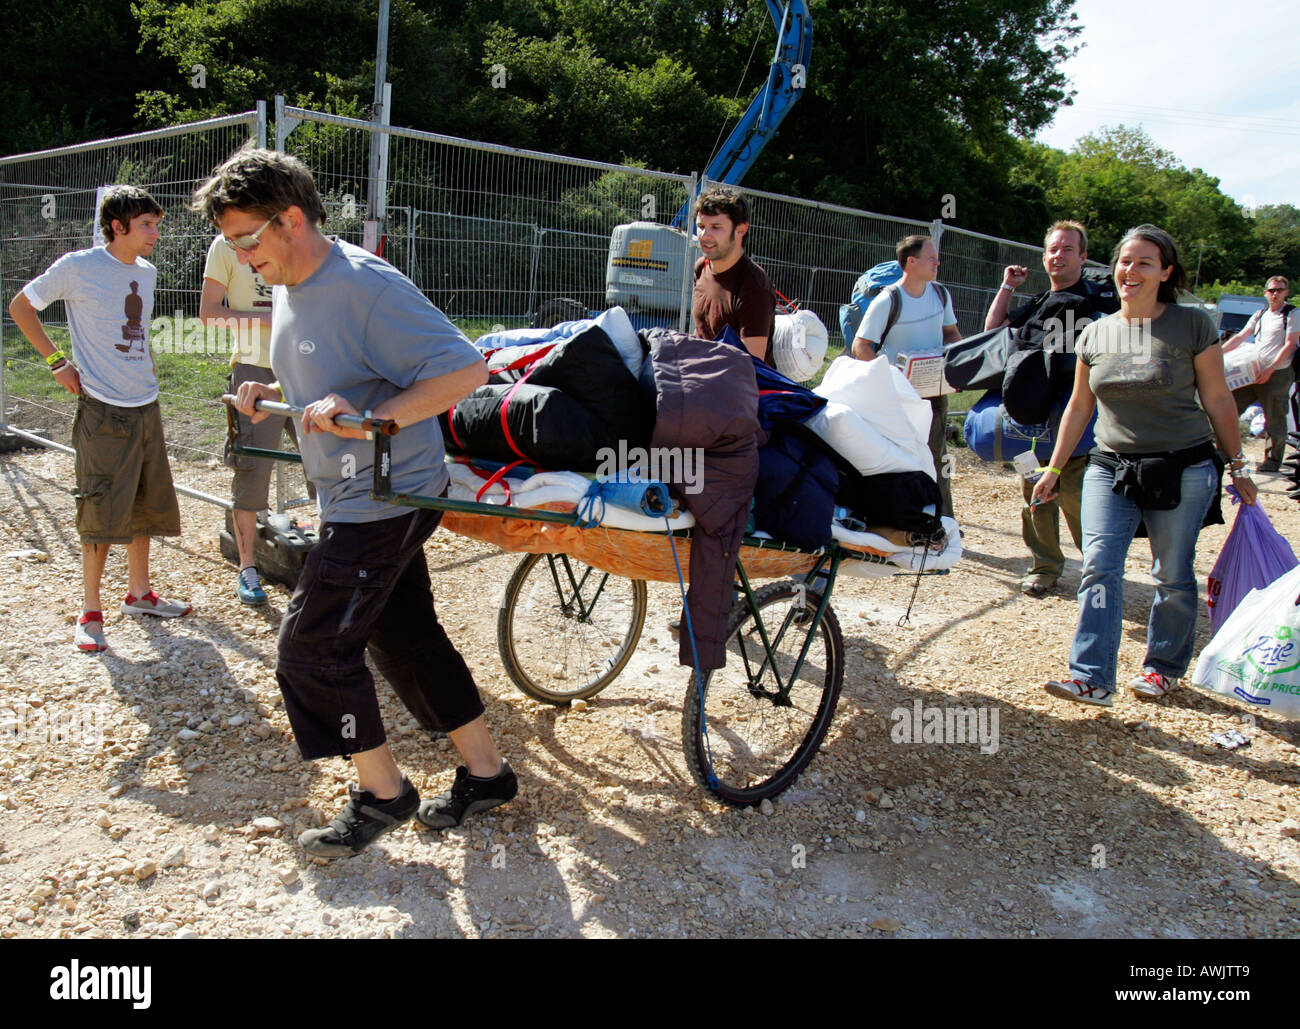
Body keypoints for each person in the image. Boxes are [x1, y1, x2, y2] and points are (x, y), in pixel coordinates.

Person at [192, 148, 516, 858]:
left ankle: (384, 792)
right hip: (352, 493)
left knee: (310, 648)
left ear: (294, 218)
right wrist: (271, 400)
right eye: (231, 244)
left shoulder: (364, 284)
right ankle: (488, 772)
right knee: (406, 635)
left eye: (248, 240)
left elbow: (466, 368)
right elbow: (336, 386)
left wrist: (381, 420)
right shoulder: (286, 278)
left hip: (385, 496)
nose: (242, 258)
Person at [1032, 225, 1258, 706]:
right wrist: (1052, 469)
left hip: (1183, 466)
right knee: (1098, 566)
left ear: (1165, 272)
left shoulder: (1192, 325)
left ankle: (1162, 668)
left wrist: (1237, 464)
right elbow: (1079, 407)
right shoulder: (1095, 332)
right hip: (1110, 465)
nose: (1130, 272)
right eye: (1125, 262)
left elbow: (1217, 399)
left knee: (1172, 571)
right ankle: (1091, 675)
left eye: (1144, 263)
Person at [8, 185, 191, 653]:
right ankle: (91, 610)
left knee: (145, 503)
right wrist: (57, 363)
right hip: (101, 406)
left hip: (144, 403)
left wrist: (146, 366)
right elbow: (21, 307)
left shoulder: (147, 273)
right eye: (147, 225)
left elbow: (136, 334)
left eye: (155, 224)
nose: (155, 233)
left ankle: (140, 594)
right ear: (118, 226)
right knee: (100, 505)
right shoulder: (78, 267)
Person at [984, 220, 1118, 597]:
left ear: (1084, 256)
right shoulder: (1041, 302)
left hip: (1077, 423)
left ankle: (1100, 572)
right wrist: (1009, 287)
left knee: (1078, 499)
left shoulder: (1097, 302)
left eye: (1068, 249)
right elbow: (994, 330)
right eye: (1053, 250)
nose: (1059, 255)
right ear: (1044, 258)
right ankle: (1045, 567)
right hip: (1032, 420)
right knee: (1036, 497)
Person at [200, 232, 302, 604]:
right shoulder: (225, 247)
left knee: (326, 469)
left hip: (305, 365)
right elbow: (209, 312)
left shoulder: (291, 234)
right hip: (254, 372)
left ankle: (333, 566)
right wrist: (267, 318)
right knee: (252, 472)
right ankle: (247, 569)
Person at [852, 234, 961, 517]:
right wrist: (891, 378)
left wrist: (955, 363)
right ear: (911, 262)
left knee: (937, 457)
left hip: (933, 393)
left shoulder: (941, 294)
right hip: (896, 397)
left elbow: (951, 334)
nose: (937, 262)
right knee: (896, 456)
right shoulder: (888, 300)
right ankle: (894, 517)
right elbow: (860, 346)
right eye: (931, 257)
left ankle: (942, 520)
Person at [1221, 275, 1297, 474]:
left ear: (1286, 293)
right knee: (1230, 408)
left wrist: (1270, 369)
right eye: (1272, 290)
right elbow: (1241, 337)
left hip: (1277, 373)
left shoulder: (1292, 314)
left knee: (1274, 417)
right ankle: (1222, 453)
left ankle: (1272, 461)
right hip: (1252, 372)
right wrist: (1216, 354)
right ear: (1265, 292)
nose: (1275, 294)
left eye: (1279, 290)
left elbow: (1289, 345)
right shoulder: (1261, 313)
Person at [692, 186, 777, 364]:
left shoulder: (754, 285)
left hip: (737, 386)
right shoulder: (701, 267)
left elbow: (751, 365)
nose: (704, 235)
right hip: (699, 377)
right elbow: (700, 332)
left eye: (716, 227)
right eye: (701, 226)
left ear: (741, 230)